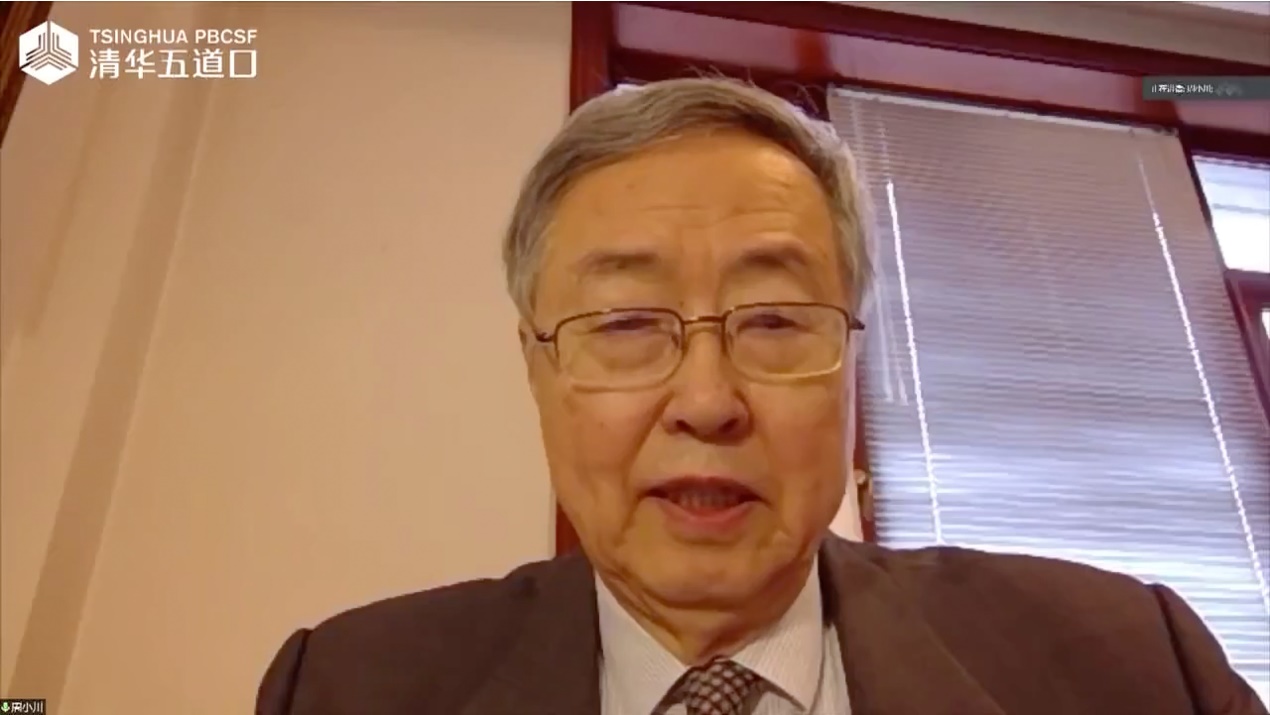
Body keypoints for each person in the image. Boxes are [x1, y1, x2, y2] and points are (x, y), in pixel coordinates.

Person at [256, 78, 1267, 715]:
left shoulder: (1133, 664)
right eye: (626, 322)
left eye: (777, 320)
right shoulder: (345, 687)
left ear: (851, 366)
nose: (707, 400)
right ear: (539, 371)